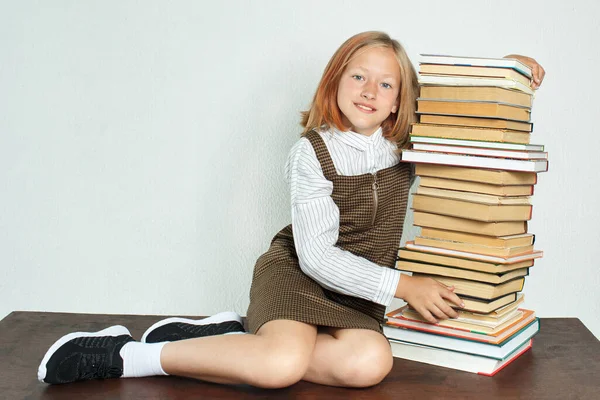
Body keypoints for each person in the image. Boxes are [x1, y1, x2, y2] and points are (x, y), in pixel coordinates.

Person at [37, 31, 546, 388]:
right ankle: (124, 356)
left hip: (357, 293)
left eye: (386, 84)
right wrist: (403, 286)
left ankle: (234, 338)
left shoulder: (406, 146)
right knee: (280, 365)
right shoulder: (312, 151)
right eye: (358, 77)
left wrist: (508, 71)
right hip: (299, 272)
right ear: (334, 83)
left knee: (370, 364)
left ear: (400, 100)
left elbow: (462, 108)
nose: (371, 91)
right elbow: (319, 258)